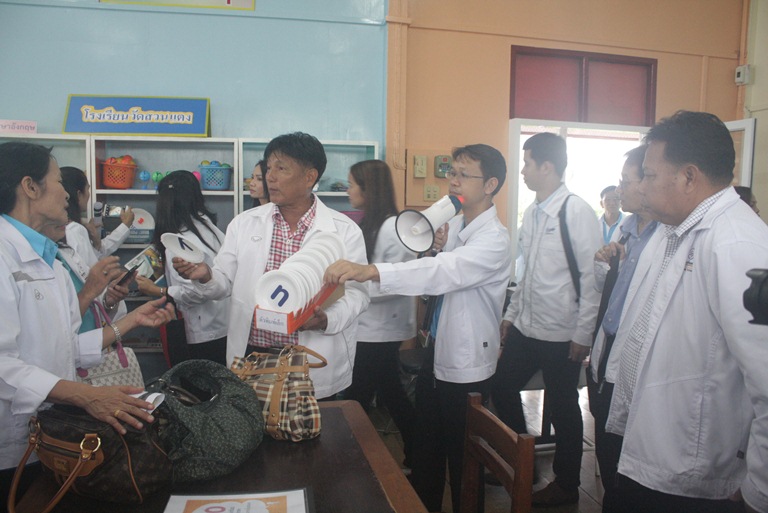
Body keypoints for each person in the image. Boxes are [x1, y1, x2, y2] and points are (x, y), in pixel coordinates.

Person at [325, 144, 512, 513]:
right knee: (427, 450)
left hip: (467, 364)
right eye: (451, 172)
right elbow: (433, 277)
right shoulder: (456, 225)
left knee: (463, 461)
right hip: (437, 352)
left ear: (490, 185)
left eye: (463, 174)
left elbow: (444, 273)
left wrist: (372, 271)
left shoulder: (494, 239)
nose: (453, 181)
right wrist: (433, 249)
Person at [604, 111, 768, 513]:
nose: (641, 187)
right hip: (651, 444)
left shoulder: (735, 244)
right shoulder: (672, 231)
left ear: (689, 177)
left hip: (694, 473)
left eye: (649, 175)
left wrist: (758, 490)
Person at [0, 142, 176, 507]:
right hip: (10, 446)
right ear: (30, 187)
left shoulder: (49, 259)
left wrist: (131, 321)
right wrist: (86, 396)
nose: (67, 192)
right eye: (56, 180)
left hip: (51, 436)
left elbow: (66, 346)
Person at [172, 132, 369, 399]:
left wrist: (327, 319)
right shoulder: (244, 223)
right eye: (268, 168)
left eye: (281, 168)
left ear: (309, 177)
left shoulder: (344, 231)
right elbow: (224, 282)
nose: (270, 177)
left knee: (314, 423)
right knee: (252, 422)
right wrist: (206, 276)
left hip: (309, 358)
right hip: (253, 356)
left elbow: (358, 294)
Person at [492, 132, 601, 507]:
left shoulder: (576, 211)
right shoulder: (534, 213)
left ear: (547, 166)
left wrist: (583, 334)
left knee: (564, 405)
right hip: (527, 327)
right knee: (501, 385)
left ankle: (566, 484)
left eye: (527, 163)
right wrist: (510, 315)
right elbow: (526, 274)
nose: (522, 171)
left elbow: (591, 279)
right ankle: (521, 459)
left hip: (561, 332)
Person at [587, 145, 658, 513]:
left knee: (625, 456)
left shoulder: (665, 235)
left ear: (648, 184)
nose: (619, 190)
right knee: (604, 439)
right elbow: (610, 292)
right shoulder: (627, 230)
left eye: (626, 182)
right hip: (607, 347)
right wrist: (605, 262)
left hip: (634, 358)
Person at [342, 159, 417, 466]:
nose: (348, 190)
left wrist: (354, 291)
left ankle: (349, 457)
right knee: (387, 391)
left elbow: (399, 281)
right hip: (371, 327)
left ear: (368, 188)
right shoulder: (371, 223)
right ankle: (417, 451)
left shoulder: (393, 227)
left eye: (351, 185)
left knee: (358, 394)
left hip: (382, 328)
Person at [136, 170, 230, 366]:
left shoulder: (179, 241)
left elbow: (195, 293)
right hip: (222, 325)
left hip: (203, 332)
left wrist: (158, 291)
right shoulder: (207, 225)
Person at [60, 166, 135, 259]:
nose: (89, 194)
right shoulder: (74, 230)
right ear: (79, 195)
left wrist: (96, 243)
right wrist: (125, 225)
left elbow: (92, 257)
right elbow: (92, 265)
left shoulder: (69, 227)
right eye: (88, 189)